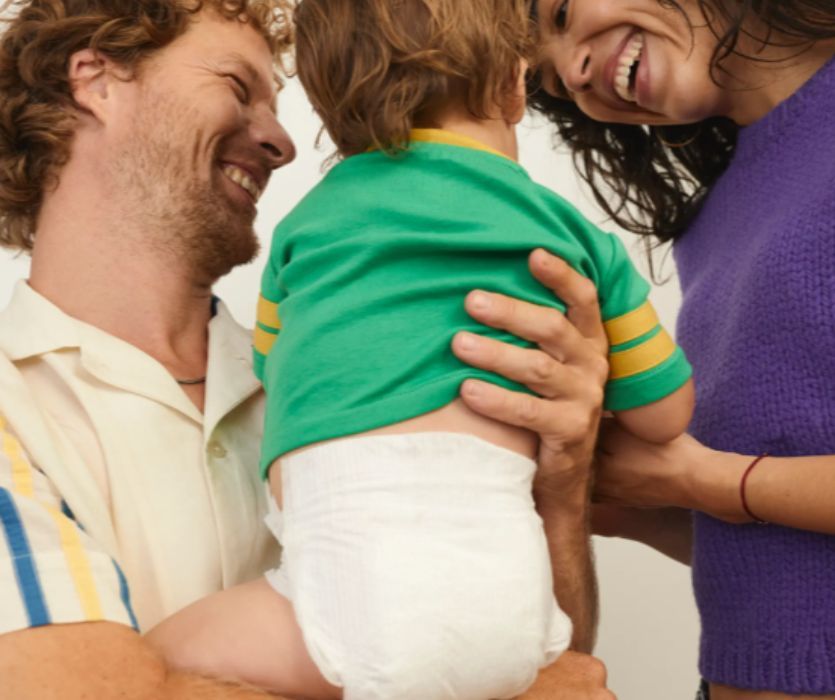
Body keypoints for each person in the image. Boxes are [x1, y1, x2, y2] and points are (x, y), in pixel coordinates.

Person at [0, 0, 614, 697]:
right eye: (238, 87)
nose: (281, 141)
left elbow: (547, 662)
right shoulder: (11, 409)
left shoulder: (356, 363)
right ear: (96, 80)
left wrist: (563, 489)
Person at [147, 1, 692, 698]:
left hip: (339, 604)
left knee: (146, 668)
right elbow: (664, 417)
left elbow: (271, 368)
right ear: (511, 85)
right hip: (519, 623)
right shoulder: (570, 238)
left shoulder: (304, 231)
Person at [530, 0, 835, 697]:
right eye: (552, 83)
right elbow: (774, 554)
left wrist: (705, 481)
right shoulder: (711, 221)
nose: (572, 72)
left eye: (561, 12)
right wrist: (608, 487)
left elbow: (734, 489)